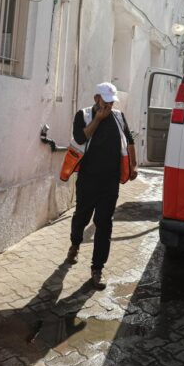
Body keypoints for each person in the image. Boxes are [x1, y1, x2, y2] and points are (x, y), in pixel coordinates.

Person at [66, 82, 139, 290]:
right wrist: (98, 119)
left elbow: (129, 140)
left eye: (111, 100)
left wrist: (133, 165)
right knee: (82, 215)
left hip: (110, 181)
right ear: (96, 97)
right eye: (105, 100)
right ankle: (75, 244)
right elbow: (81, 137)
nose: (108, 104)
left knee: (104, 223)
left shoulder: (118, 116)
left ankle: (97, 269)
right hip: (88, 179)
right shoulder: (84, 115)